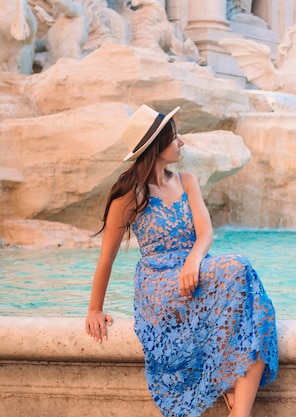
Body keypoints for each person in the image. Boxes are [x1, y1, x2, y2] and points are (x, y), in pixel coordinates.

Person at [85, 104, 278, 417]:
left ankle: (239, 413)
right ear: (157, 147)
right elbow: (106, 258)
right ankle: (231, 389)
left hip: (196, 270)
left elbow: (205, 233)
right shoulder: (128, 194)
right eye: (175, 138)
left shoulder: (187, 180)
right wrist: (94, 308)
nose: (182, 143)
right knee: (239, 271)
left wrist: (193, 260)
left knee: (252, 302)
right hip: (159, 282)